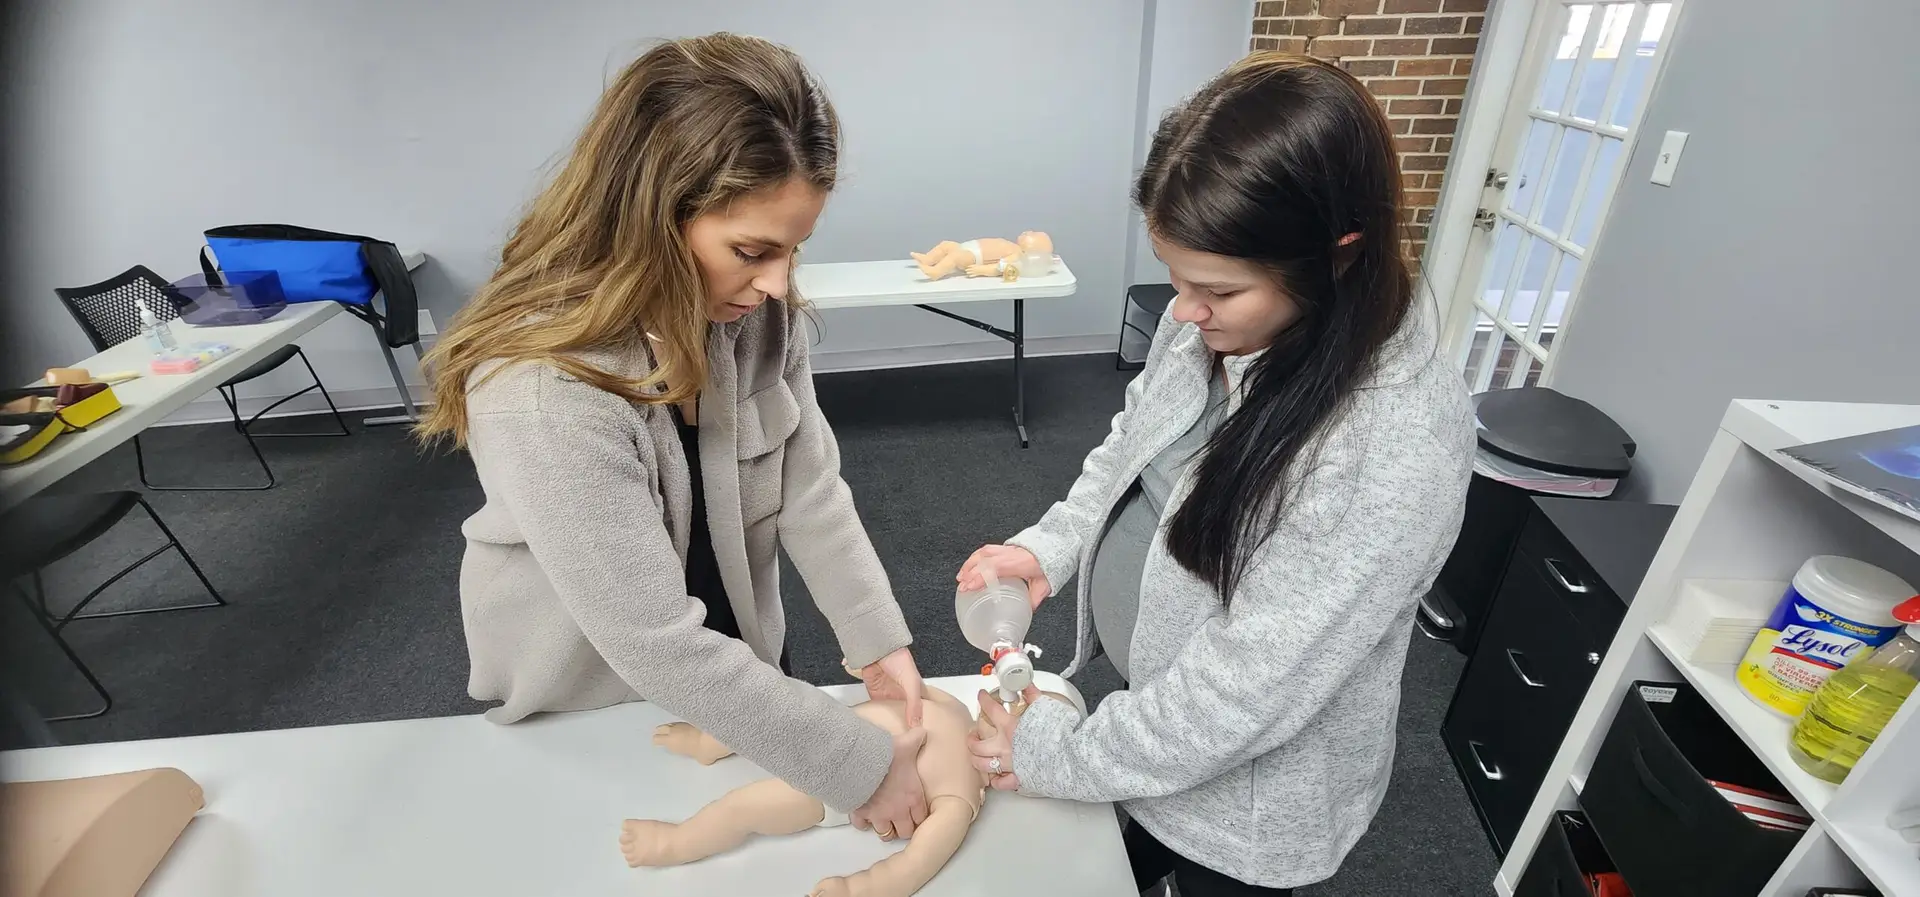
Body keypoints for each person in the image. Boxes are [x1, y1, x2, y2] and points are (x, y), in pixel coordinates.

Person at [956, 54, 1475, 895]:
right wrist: (1053, 546)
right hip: (1146, 720)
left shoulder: (1391, 439)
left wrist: (1062, 754)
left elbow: (1246, 693)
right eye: (1176, 276)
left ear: (1337, 256)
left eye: (1218, 290)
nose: (1185, 311)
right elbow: (1131, 446)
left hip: (1239, 801)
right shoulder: (1213, 323)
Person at [416, 34, 931, 844]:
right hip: (604, 705)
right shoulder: (543, 389)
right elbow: (653, 642)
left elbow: (810, 487)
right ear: (652, 219)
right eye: (752, 251)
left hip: (741, 671)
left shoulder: (758, 317)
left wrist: (877, 639)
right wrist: (859, 764)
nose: (778, 284)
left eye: (795, 248)